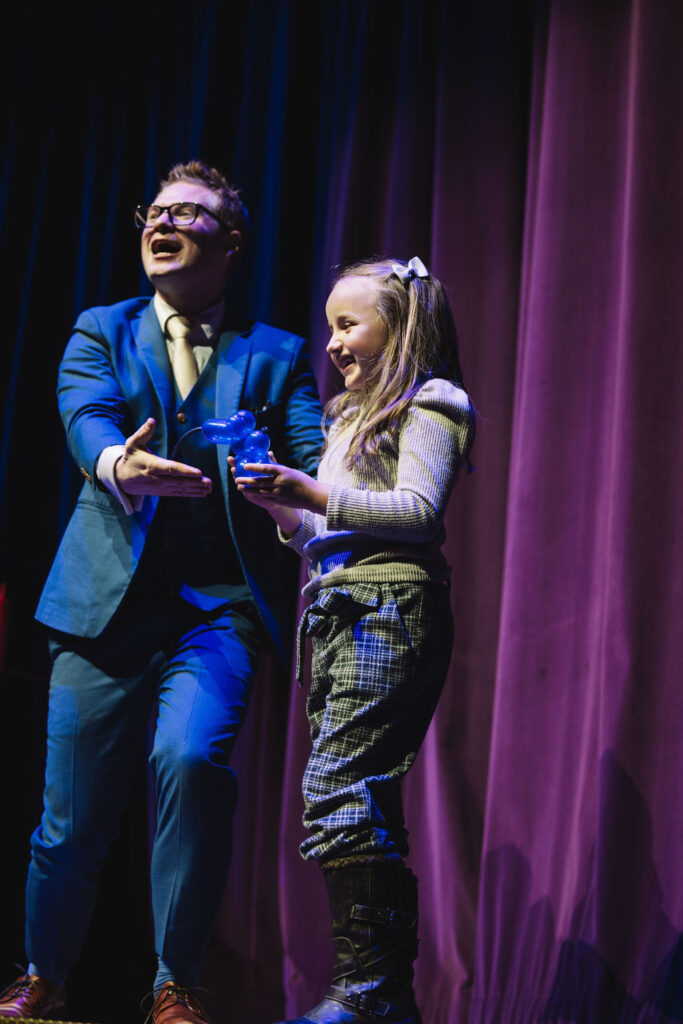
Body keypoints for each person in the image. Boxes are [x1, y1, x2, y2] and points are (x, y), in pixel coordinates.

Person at [0, 160, 323, 1024]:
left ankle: (175, 982)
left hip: (215, 611)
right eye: (156, 211)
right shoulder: (100, 328)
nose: (163, 222)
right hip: (100, 609)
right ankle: (44, 974)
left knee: (188, 761)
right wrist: (119, 464)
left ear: (231, 241)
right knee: (71, 816)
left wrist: (288, 494)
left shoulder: (276, 353)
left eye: (189, 212)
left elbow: (313, 462)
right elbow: (85, 418)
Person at [232, 256, 475, 1024]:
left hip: (388, 606)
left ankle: (368, 994)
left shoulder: (431, 401)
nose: (332, 342)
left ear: (398, 329)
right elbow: (322, 536)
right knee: (353, 795)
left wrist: (313, 490)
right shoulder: (346, 417)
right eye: (329, 327)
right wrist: (283, 508)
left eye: (348, 324)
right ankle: (381, 998)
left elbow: (416, 513)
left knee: (338, 790)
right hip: (338, 609)